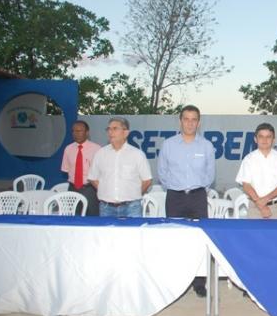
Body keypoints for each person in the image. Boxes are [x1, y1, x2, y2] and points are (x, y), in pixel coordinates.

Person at [157, 105, 215, 297]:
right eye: (186, 119)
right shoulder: (168, 144)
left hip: (198, 197)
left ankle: (199, 282)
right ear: (180, 121)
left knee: (200, 240)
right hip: (175, 197)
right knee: (176, 239)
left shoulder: (206, 145)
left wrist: (197, 189)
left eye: (194, 119)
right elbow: (162, 173)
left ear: (199, 122)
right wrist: (175, 188)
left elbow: (210, 174)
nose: (190, 123)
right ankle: (177, 282)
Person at [88, 117, 152, 217]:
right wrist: (105, 190)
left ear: (126, 133)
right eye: (108, 129)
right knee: (107, 233)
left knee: (133, 233)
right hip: (106, 208)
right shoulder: (100, 153)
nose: (110, 132)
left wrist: (133, 194)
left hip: (132, 208)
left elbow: (147, 180)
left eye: (115, 128)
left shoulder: (137, 154)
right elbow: (93, 178)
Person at [236, 123, 277, 219]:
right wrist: (261, 205)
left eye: (268, 137)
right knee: (253, 234)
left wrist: (265, 199)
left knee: (275, 234)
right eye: (261, 136)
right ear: (255, 139)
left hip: (275, 207)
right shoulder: (248, 159)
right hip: (254, 207)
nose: (264, 140)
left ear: (273, 140)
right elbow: (246, 185)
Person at [60, 120, 101, 216]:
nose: (76, 134)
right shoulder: (68, 149)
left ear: (87, 133)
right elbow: (66, 169)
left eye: (79, 131)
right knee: (73, 217)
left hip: (90, 189)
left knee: (92, 218)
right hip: (73, 188)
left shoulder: (97, 149)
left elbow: (102, 172)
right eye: (74, 131)